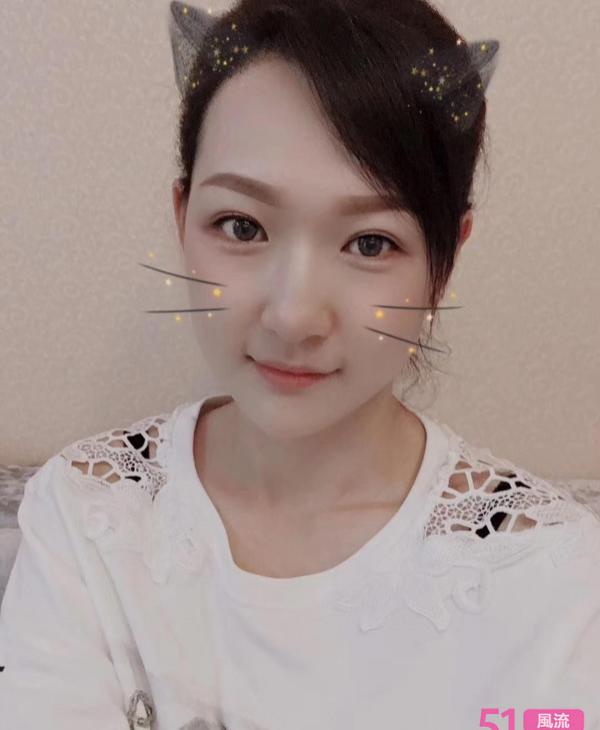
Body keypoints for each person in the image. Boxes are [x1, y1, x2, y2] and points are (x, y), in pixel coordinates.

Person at [1, 1, 598, 728]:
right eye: (242, 226)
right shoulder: (87, 518)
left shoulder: (549, 576)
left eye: (370, 243)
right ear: (183, 218)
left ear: (446, 259)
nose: (292, 316)